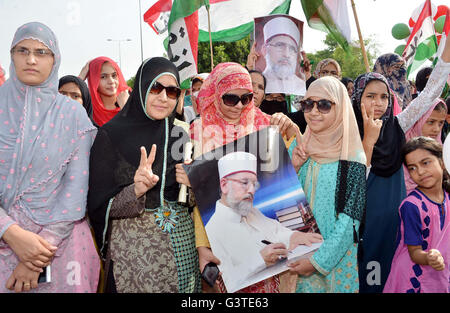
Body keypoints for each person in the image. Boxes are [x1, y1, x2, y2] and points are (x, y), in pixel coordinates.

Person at [175, 62, 300, 293]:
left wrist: (292, 132)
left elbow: (290, 172)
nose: (239, 105)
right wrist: (202, 246)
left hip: (263, 232)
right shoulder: (198, 132)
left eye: (247, 98)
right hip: (222, 239)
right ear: (215, 94)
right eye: (231, 98)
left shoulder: (265, 124)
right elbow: (200, 201)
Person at [0, 22, 100, 293]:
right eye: (23, 50)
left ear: (55, 60)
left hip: (59, 247)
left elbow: (75, 190)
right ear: (12, 55)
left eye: (42, 52)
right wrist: (11, 233)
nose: (31, 59)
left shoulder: (73, 116)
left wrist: (35, 259)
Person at [87, 57, 201, 293]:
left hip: (183, 248)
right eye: (156, 88)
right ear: (141, 88)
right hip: (136, 256)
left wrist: (193, 184)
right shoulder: (109, 136)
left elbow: (192, 200)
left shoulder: (180, 132)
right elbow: (98, 208)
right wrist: (136, 190)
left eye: (172, 91)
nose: (163, 98)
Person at [354, 38, 450, 293]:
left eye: (384, 96)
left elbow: (429, 93)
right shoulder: (347, 132)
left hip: (398, 220)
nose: (378, 103)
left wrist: (445, 57)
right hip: (365, 224)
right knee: (369, 277)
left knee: (394, 275)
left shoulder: (398, 124)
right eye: (370, 96)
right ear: (356, 97)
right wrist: (367, 142)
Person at [288, 76, 367, 293]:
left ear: (340, 107)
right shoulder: (299, 145)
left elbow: (350, 221)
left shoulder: (353, 158)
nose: (314, 111)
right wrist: (293, 166)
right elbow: (280, 195)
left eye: (324, 105)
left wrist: (317, 262)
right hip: (297, 253)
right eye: (308, 104)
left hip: (334, 261)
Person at [205, 151, 322, 293]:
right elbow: (226, 280)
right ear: (224, 185)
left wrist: (293, 236)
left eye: (254, 184)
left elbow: (275, 230)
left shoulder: (251, 211)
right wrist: (260, 260)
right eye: (244, 183)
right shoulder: (212, 230)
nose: (252, 190)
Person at [384, 136, 450, 293]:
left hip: (440, 276)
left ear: (442, 162)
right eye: (412, 168)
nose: (420, 172)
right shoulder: (412, 206)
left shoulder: (447, 196)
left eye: (425, 163)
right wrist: (430, 258)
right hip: (412, 279)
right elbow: (415, 253)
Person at [403, 99, 447, 194]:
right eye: (431, 122)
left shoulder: (440, 149)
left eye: (441, 123)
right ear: (417, 119)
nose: (436, 129)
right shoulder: (401, 147)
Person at [79, 57, 131, 127]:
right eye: (103, 77)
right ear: (93, 80)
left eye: (114, 75)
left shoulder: (132, 101)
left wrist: (125, 108)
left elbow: (140, 133)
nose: (111, 81)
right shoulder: (88, 109)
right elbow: (64, 110)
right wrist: (80, 77)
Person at [260, 16, 306, 95]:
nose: (286, 54)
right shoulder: (257, 83)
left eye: (292, 49)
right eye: (280, 45)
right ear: (265, 49)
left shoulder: (301, 85)